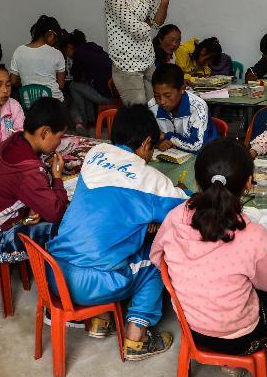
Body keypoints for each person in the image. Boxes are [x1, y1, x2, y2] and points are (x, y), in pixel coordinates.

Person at [150, 139, 267, 377]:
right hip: (240, 340)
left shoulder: (175, 217)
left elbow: (158, 258)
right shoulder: (253, 235)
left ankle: (232, 363)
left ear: (198, 182)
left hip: (192, 331)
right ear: (249, 183)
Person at [47, 105, 187, 360]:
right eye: (152, 147)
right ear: (146, 142)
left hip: (55, 274)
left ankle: (101, 319)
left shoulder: (95, 153)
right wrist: (180, 192)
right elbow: (186, 207)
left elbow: (110, 207)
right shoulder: (151, 180)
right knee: (157, 257)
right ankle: (137, 337)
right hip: (92, 285)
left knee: (108, 240)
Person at [0, 97, 70, 262]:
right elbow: (55, 213)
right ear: (45, 132)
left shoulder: (17, 140)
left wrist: (30, 208)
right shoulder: (28, 170)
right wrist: (57, 177)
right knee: (68, 227)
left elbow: (20, 188)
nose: (59, 143)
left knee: (59, 211)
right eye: (59, 137)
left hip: (1, 224)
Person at [104, 0, 171, 105]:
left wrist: (164, 0)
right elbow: (138, 29)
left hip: (147, 58)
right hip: (126, 64)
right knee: (139, 110)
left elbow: (157, 22)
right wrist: (148, 23)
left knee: (157, 106)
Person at [149, 64, 217, 153]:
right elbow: (146, 136)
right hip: (173, 156)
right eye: (157, 95)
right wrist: (158, 143)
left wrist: (167, 136)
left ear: (182, 89)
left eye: (167, 95)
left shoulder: (197, 107)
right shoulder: (152, 106)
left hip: (205, 155)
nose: (162, 101)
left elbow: (197, 145)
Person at [61, 29, 114, 131]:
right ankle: (90, 120)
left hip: (106, 97)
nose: (67, 55)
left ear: (69, 47)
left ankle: (84, 121)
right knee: (83, 86)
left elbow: (75, 77)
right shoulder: (93, 49)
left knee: (73, 86)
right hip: (114, 94)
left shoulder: (79, 54)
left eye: (65, 52)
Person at [9, 15, 66, 100]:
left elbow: (13, 81)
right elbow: (61, 85)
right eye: (56, 37)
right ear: (50, 34)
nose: (55, 41)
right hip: (54, 103)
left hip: (29, 104)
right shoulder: (57, 53)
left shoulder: (19, 51)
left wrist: (28, 80)